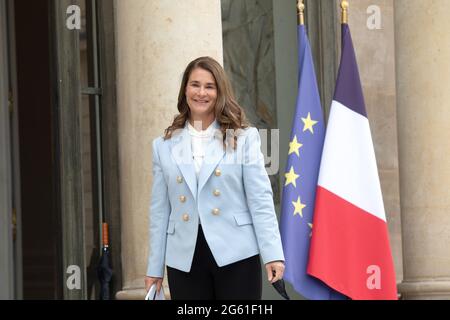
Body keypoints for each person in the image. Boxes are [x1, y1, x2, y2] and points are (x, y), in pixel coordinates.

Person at [144, 56, 285, 300]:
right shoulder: (163, 146)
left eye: (209, 86)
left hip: (236, 253)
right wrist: (154, 268)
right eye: (195, 84)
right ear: (185, 90)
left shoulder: (244, 138)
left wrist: (273, 253)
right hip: (184, 259)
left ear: (220, 92)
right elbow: (159, 211)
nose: (201, 93)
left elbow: (260, 199)